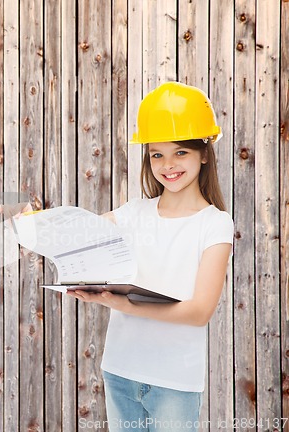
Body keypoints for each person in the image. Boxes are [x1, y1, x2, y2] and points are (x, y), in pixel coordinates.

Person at [66, 82, 234, 431]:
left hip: (173, 381)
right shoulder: (133, 214)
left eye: (180, 153)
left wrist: (122, 304)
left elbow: (199, 311)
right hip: (120, 371)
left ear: (204, 153)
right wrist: (33, 222)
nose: (168, 165)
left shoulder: (215, 224)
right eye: (157, 154)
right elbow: (78, 234)